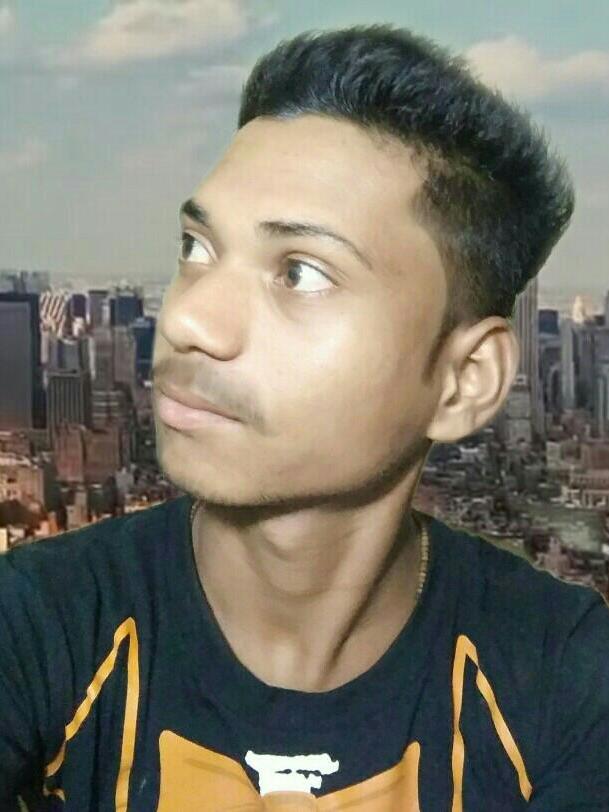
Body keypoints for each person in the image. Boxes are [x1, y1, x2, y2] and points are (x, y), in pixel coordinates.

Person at [1, 23, 608, 811]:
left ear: (463, 381)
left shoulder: (563, 679)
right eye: (196, 247)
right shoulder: (37, 625)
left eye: (300, 272)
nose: (188, 319)